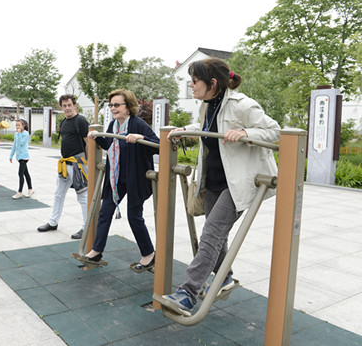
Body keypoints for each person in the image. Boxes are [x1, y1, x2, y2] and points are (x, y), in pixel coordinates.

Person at [160, 58, 280, 317]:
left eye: (194, 81)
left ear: (212, 83)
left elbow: (276, 132)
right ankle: (225, 278)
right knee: (215, 234)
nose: (191, 86)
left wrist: (247, 133)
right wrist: (185, 130)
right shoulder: (208, 105)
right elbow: (207, 128)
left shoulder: (242, 104)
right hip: (215, 179)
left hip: (239, 182)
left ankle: (188, 293)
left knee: (212, 234)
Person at [77, 89, 158, 271]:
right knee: (105, 213)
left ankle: (149, 254)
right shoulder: (114, 125)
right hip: (116, 177)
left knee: (134, 217)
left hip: (135, 178)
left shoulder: (138, 124)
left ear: (128, 107)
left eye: (117, 105)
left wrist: (141, 137)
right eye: (111, 105)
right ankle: (96, 251)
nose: (113, 108)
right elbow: (111, 145)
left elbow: (159, 145)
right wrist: (97, 138)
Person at [37, 94, 89, 240]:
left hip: (78, 164)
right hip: (65, 164)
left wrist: (88, 163)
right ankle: (53, 222)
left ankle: (86, 227)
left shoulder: (81, 120)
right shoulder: (65, 121)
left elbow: (88, 142)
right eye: (64, 106)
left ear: (75, 105)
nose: (67, 108)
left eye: (69, 105)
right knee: (58, 194)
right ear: (61, 107)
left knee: (83, 197)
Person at [9, 119, 34, 199]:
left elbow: (22, 143)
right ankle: (30, 189)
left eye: (19, 125)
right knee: (26, 173)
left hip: (24, 157)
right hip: (19, 157)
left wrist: (19, 134)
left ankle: (19, 192)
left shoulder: (25, 134)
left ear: (23, 126)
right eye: (16, 125)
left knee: (20, 174)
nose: (17, 127)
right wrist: (11, 155)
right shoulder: (16, 134)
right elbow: (15, 145)